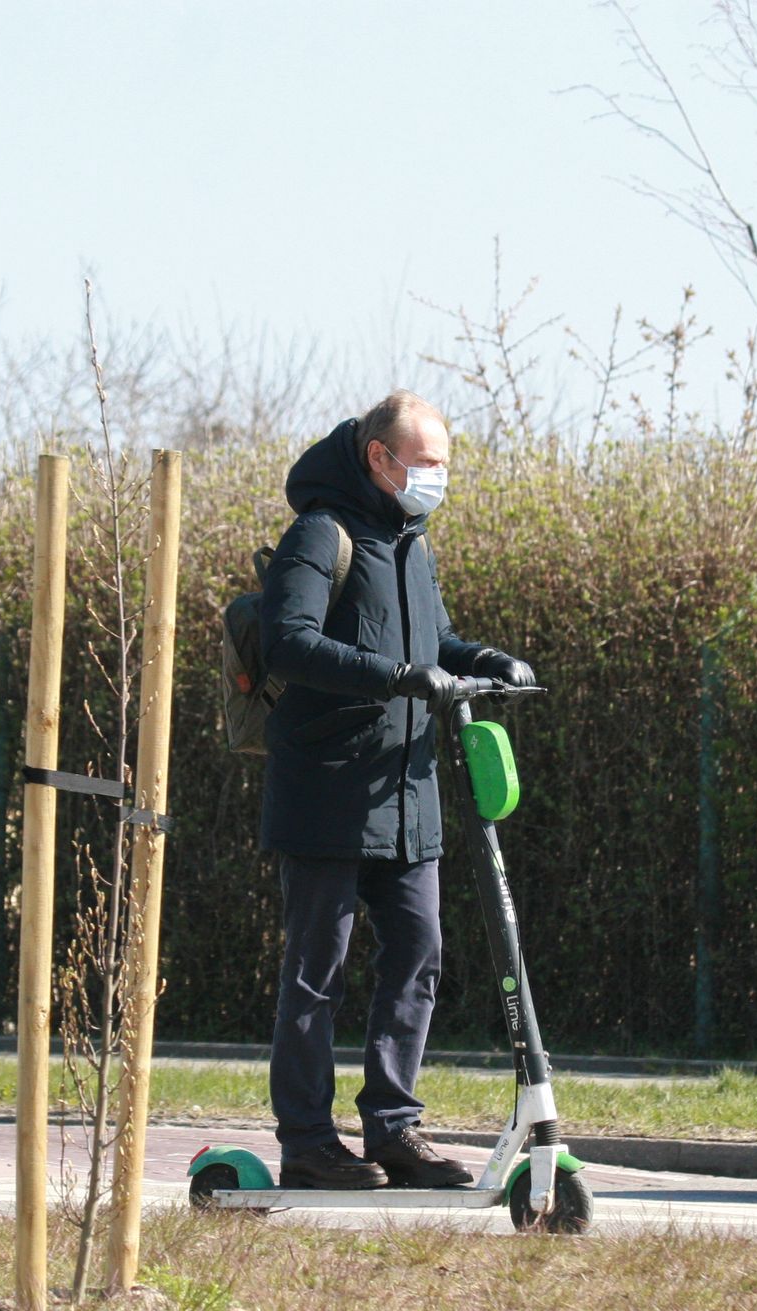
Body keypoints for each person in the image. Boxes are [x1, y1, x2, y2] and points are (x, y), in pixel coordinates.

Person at [257, 390, 538, 1189]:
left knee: (419, 954)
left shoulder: (412, 542)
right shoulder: (322, 533)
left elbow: (435, 641)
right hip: (327, 792)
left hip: (409, 796)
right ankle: (308, 1143)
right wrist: (396, 676)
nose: (438, 477)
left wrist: (483, 660)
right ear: (379, 458)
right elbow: (288, 643)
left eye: (443, 463)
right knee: (317, 973)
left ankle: (393, 1128)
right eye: (427, 462)